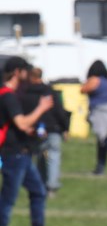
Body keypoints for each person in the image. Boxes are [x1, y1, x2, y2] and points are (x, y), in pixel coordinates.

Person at [0, 56, 63, 226]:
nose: (28, 74)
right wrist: (42, 108)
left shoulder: (10, 95)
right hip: (13, 154)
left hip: (22, 152)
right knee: (8, 198)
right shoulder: (8, 95)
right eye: (25, 70)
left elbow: (16, 125)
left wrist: (30, 130)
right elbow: (21, 123)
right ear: (17, 72)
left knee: (38, 191)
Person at [23, 67, 71, 196]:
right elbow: (59, 112)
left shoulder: (26, 93)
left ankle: (39, 183)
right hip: (53, 128)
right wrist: (65, 128)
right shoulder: (49, 91)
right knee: (53, 157)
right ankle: (52, 186)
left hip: (36, 128)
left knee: (39, 156)